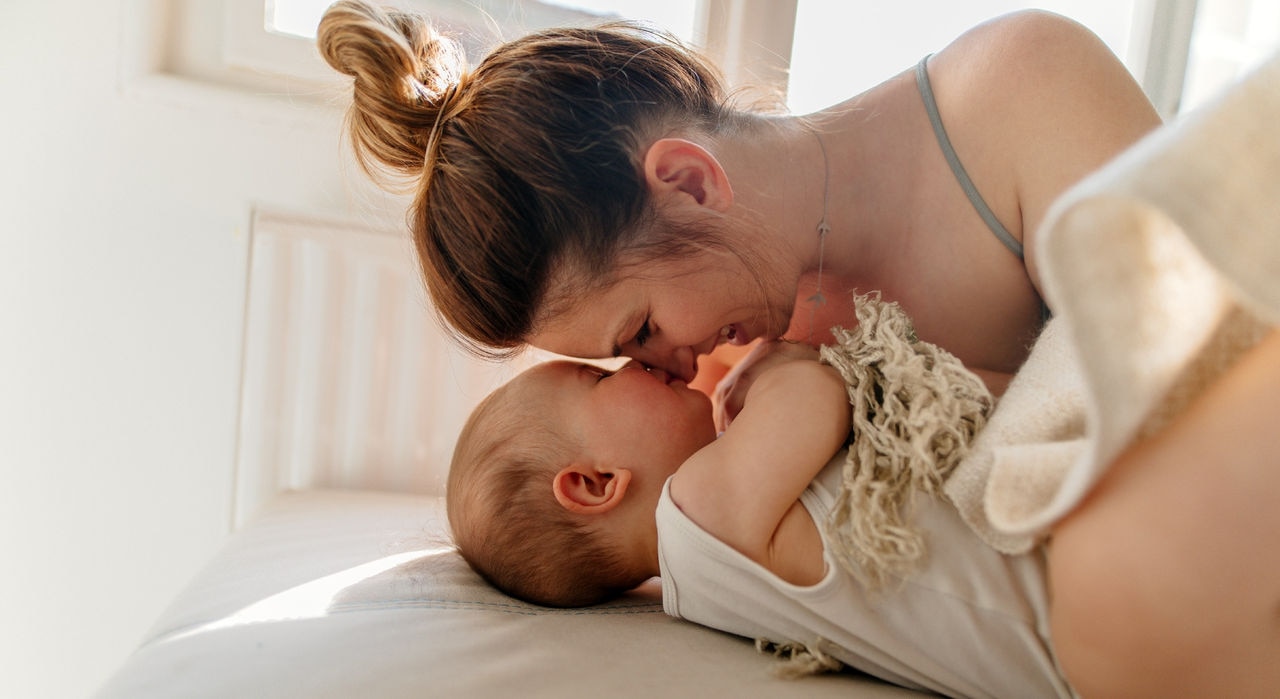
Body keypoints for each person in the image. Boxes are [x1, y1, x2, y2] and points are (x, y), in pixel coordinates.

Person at [316, 1, 1161, 397]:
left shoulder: (1023, 92)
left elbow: (1187, 396)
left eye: (640, 331)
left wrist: (852, 396)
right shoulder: (744, 364)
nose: (668, 371)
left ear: (688, 181)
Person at [446, 299, 1077, 697]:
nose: (634, 364)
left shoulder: (700, 575)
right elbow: (815, 395)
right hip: (1072, 601)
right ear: (595, 484)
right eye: (599, 377)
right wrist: (775, 361)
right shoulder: (696, 513)